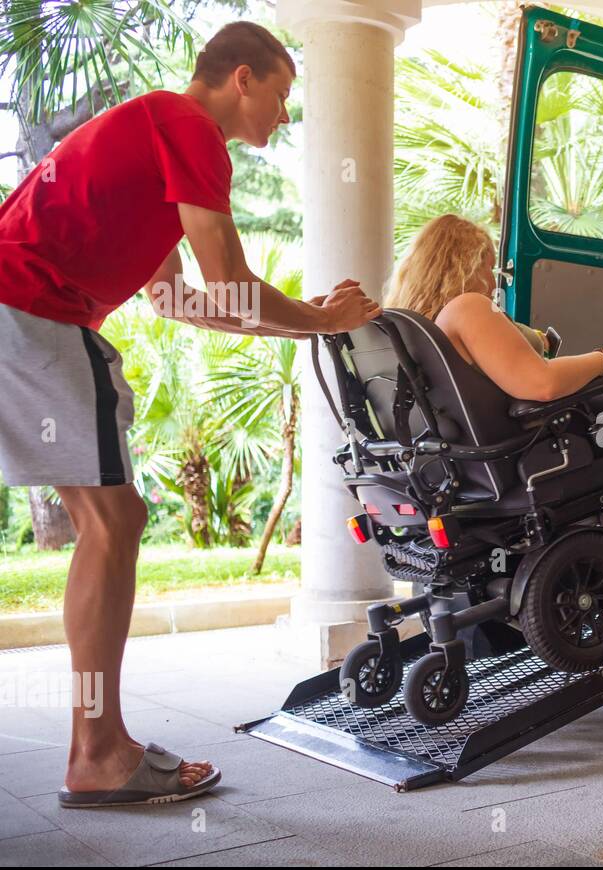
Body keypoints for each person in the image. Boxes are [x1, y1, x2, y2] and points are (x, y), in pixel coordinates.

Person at [0, 22, 381, 808]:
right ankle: (99, 754)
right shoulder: (189, 130)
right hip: (31, 308)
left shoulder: (155, 136)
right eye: (280, 95)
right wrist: (327, 323)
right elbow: (234, 284)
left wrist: (302, 315)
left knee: (111, 520)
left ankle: (95, 748)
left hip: (22, 308)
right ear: (242, 78)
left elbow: (184, 301)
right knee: (115, 522)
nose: (284, 116)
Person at [386, 213, 603, 535]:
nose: (492, 279)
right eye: (489, 267)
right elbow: (543, 384)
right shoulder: (466, 307)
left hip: (457, 464)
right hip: (520, 451)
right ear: (467, 266)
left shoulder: (406, 326)